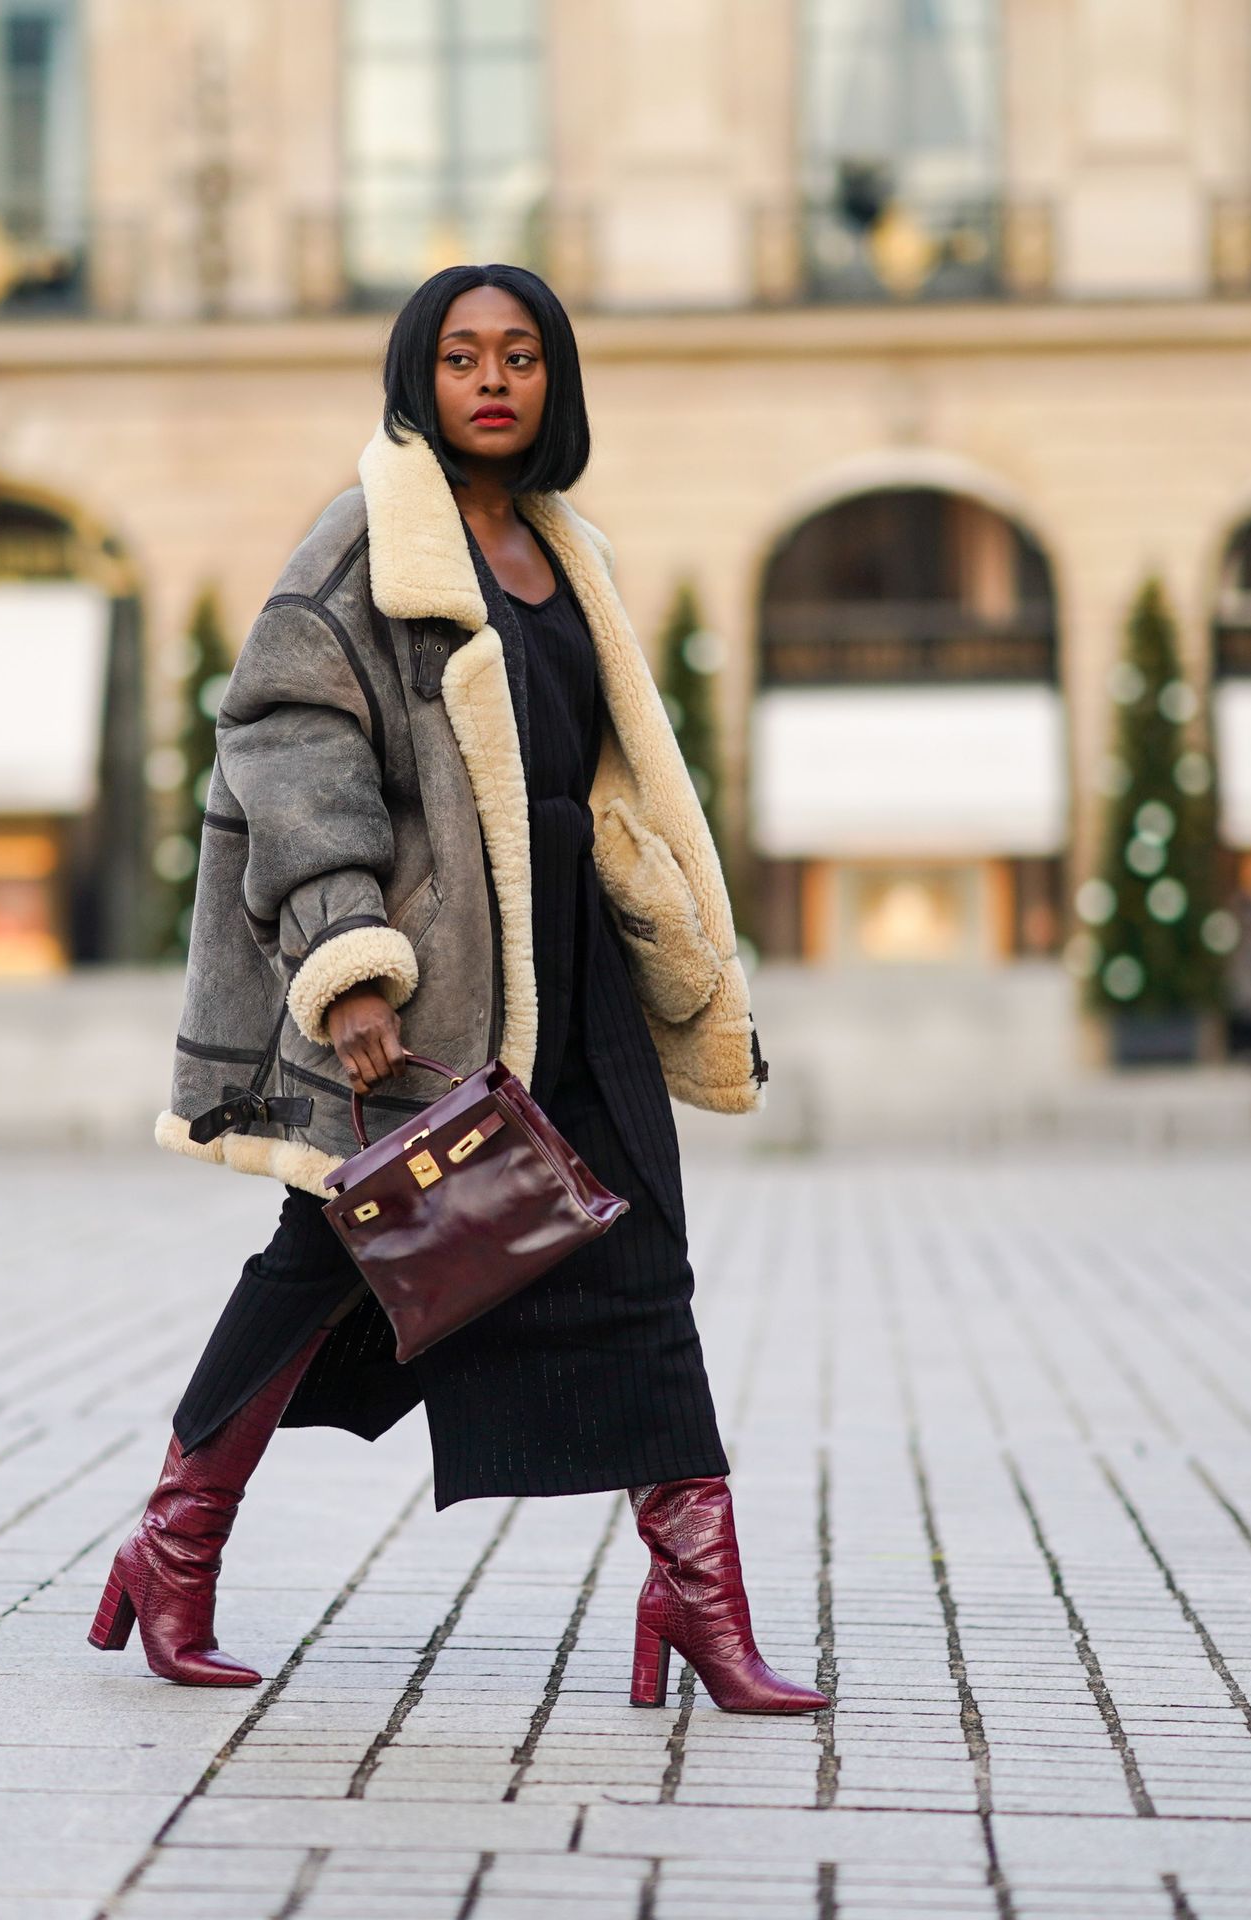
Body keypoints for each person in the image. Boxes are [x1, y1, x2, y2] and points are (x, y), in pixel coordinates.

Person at [92, 264, 826, 1718]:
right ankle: (171, 1548)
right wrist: (346, 958)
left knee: (641, 1268)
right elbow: (290, 756)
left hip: (582, 968)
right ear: (417, 380)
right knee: (327, 1264)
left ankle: (699, 1600)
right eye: (462, 357)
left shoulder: (573, 553)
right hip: (437, 987)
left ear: (556, 383)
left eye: (522, 356)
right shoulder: (366, 548)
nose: (494, 379)